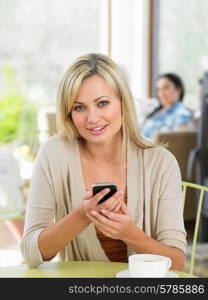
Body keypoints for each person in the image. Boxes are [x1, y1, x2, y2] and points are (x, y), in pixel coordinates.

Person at [20, 53, 186, 270]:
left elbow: (177, 263)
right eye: (79, 107)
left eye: (103, 103)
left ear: (123, 103)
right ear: (69, 112)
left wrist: (129, 234)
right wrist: (82, 215)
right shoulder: (53, 153)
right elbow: (31, 253)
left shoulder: (161, 162)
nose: (92, 118)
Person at [141, 73, 193, 140]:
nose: (161, 93)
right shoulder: (156, 112)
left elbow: (179, 143)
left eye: (166, 87)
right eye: (159, 89)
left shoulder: (181, 114)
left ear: (178, 90)